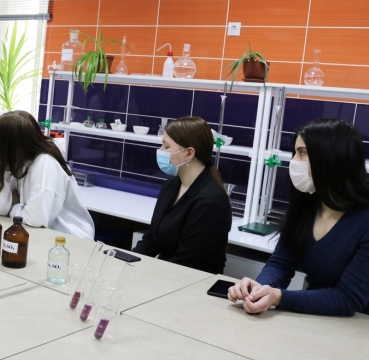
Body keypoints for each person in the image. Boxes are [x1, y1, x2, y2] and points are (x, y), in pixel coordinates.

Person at [228, 118, 369, 316]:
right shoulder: (308, 205)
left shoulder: (364, 221)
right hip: (316, 317)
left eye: (302, 152)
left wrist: (278, 297)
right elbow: (281, 263)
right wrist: (260, 289)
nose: (294, 161)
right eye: (295, 152)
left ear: (330, 157)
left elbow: (348, 299)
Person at [132, 116, 232, 274]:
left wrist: (146, 274)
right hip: (166, 272)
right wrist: (128, 262)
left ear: (189, 153)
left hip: (192, 280)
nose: (160, 151)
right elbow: (152, 238)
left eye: (166, 146)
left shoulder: (210, 201)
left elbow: (186, 261)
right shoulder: (172, 184)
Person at [0, 111, 95, 240]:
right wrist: (5, 171)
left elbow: (36, 219)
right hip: (43, 236)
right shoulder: (19, 161)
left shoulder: (45, 163)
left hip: (72, 240)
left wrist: (13, 207)